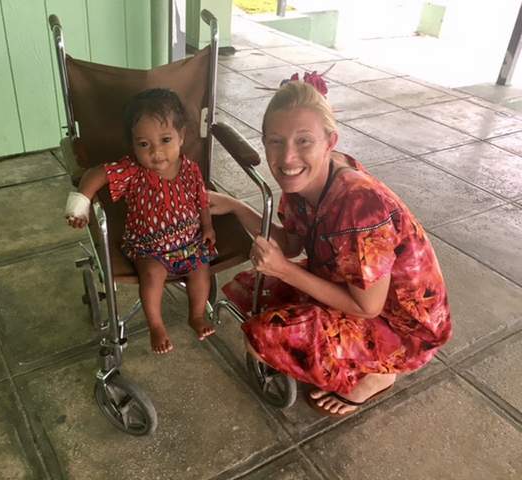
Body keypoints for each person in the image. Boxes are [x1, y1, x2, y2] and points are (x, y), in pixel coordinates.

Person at [209, 78, 451, 416]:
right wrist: (237, 207)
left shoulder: (359, 206)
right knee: (253, 290)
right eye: (275, 142)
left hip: (401, 322)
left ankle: (381, 373)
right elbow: (292, 243)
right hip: (349, 283)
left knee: (262, 336)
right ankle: (357, 356)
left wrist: (284, 270)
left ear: (329, 141)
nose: (287, 157)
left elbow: (366, 307)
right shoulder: (305, 179)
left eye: (303, 141)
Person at [65, 88, 217, 354]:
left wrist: (208, 226)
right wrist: (81, 204)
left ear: (181, 137)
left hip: (189, 244)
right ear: (133, 145)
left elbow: (201, 200)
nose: (156, 152)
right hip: (149, 247)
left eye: (165, 139)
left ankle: (196, 316)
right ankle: (156, 325)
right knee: (151, 275)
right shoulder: (132, 170)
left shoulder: (190, 169)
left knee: (201, 271)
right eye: (144, 144)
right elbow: (95, 174)